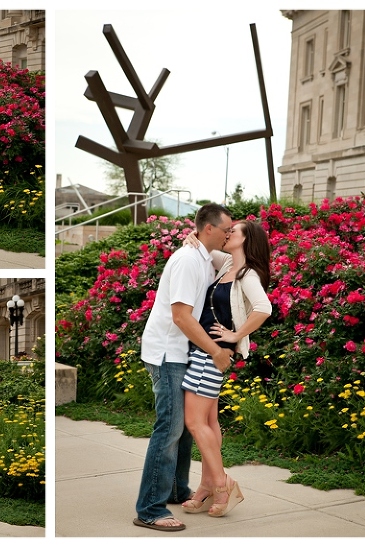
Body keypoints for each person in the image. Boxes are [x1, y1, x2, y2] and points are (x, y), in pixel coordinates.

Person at [134, 203, 235, 532]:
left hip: (185, 353)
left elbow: (241, 259)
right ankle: (150, 508)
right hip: (168, 353)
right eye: (226, 230)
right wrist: (216, 352)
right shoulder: (189, 261)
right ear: (209, 229)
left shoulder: (205, 257)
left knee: (187, 429)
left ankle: (177, 490)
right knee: (170, 428)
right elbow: (181, 316)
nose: (229, 234)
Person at [180, 220, 272, 517]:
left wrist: (236, 334)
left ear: (248, 239)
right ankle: (206, 487)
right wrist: (192, 236)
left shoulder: (247, 275)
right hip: (204, 350)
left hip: (212, 354)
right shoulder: (228, 264)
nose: (228, 232)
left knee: (194, 422)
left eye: (235, 230)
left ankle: (222, 484)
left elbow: (264, 307)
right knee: (208, 420)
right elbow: (200, 246)